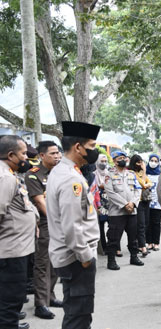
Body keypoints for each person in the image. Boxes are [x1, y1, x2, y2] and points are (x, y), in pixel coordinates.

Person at [46, 121, 101, 329]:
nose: (94, 152)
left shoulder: (65, 172)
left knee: (77, 311)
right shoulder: (70, 179)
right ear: (78, 147)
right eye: (92, 147)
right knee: (79, 316)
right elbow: (72, 226)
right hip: (76, 259)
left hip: (71, 256)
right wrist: (85, 256)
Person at [0, 135, 37, 329]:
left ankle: (11, 323)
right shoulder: (5, 178)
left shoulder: (9, 174)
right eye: (23, 153)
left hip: (16, 249)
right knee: (10, 300)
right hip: (10, 251)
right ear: (11, 155)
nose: (26, 158)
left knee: (10, 300)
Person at [24, 141, 63, 320]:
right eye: (53, 153)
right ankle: (41, 303)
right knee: (42, 264)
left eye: (58, 153)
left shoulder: (59, 173)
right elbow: (40, 201)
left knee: (56, 261)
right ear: (41, 156)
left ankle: (50, 296)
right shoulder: (33, 175)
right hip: (45, 224)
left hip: (61, 222)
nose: (57, 156)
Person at [104, 151, 144, 270]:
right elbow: (110, 193)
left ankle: (134, 256)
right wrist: (125, 204)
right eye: (120, 158)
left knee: (133, 236)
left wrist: (133, 203)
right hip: (117, 212)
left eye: (124, 158)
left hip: (132, 211)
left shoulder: (131, 174)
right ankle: (111, 260)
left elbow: (138, 189)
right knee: (113, 237)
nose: (123, 160)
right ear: (114, 160)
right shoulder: (109, 175)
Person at [128, 154, 153, 257]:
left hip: (146, 200)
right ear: (134, 163)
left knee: (146, 223)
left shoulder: (140, 173)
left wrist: (145, 183)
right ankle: (143, 247)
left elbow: (149, 183)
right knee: (141, 224)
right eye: (138, 162)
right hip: (138, 202)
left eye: (141, 162)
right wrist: (144, 172)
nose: (141, 164)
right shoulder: (132, 173)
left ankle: (139, 244)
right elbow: (142, 184)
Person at [145, 154, 161, 252]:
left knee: (156, 223)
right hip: (147, 201)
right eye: (152, 160)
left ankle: (156, 243)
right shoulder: (144, 173)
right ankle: (149, 242)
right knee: (148, 223)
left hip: (157, 202)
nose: (153, 162)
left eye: (156, 161)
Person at [94, 154, 110, 254]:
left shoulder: (109, 173)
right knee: (100, 226)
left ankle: (111, 246)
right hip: (98, 203)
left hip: (110, 203)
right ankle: (103, 248)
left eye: (105, 161)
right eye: (101, 161)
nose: (103, 163)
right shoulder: (93, 174)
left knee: (113, 226)